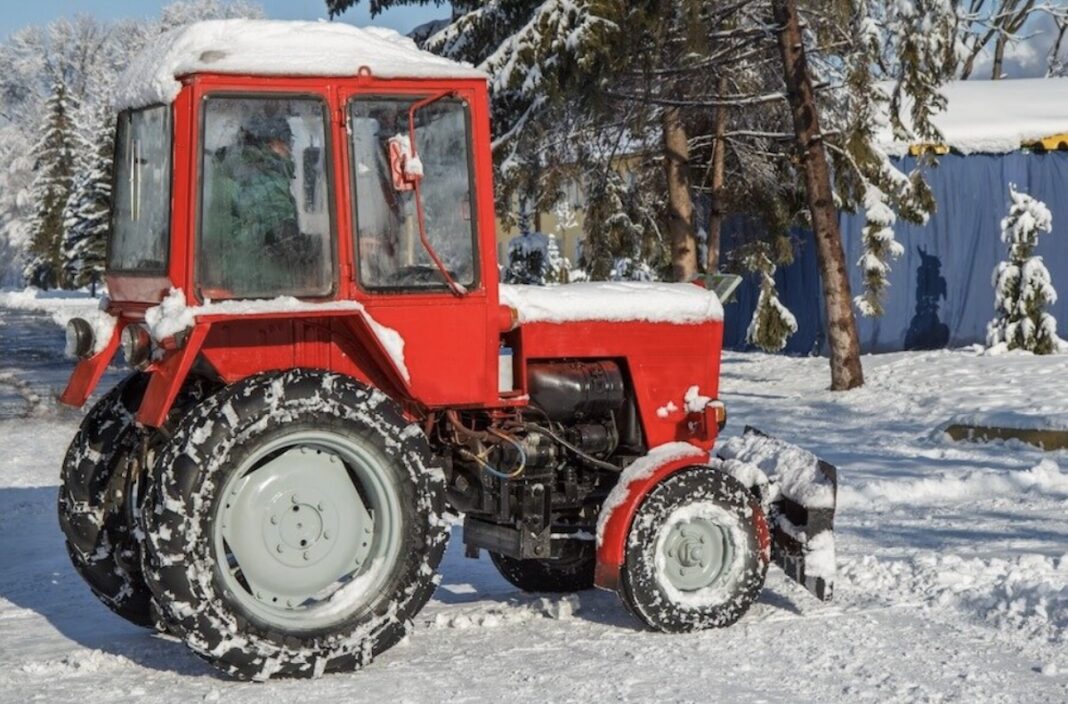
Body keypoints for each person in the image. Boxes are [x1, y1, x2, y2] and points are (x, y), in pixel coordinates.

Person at [202, 110, 318, 296]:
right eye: (286, 141)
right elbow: (280, 231)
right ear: (272, 142)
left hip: (236, 270)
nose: (290, 149)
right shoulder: (263, 172)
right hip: (259, 277)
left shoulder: (235, 167)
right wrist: (321, 247)